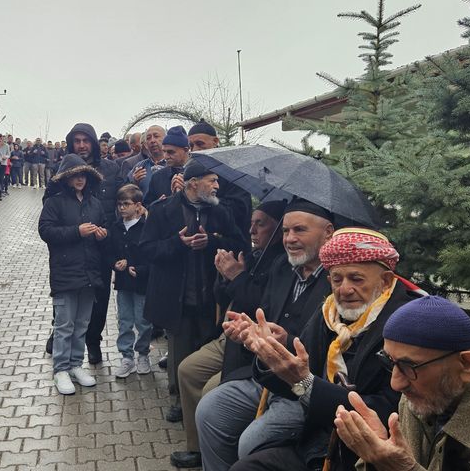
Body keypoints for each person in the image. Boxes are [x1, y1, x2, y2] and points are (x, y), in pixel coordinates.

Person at [229, 228, 420, 471]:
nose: (345, 289)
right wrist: (269, 355)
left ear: (386, 281)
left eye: (356, 279)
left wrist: (305, 383)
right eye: (337, 280)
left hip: (366, 456)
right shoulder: (328, 314)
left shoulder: (406, 324)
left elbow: (389, 409)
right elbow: (297, 386)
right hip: (317, 444)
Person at [195, 199, 334, 471]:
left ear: (328, 232)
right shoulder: (283, 267)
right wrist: (249, 332)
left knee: (253, 441)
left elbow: (334, 350)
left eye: (300, 230)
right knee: (210, 410)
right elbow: (264, 316)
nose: (289, 239)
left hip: (304, 388)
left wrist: (285, 342)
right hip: (265, 376)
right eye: (285, 231)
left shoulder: (340, 279)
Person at [334, 295, 470, 471]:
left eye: (408, 366)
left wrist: (402, 468)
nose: (396, 384)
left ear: (467, 365)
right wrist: (380, 458)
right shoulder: (420, 394)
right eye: (389, 361)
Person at [169, 200, 287, 469]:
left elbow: (261, 306)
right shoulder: (255, 254)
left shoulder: (281, 263)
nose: (252, 230)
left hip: (251, 344)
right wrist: (224, 276)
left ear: (277, 228)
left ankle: (220, 450)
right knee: (187, 370)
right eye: (251, 223)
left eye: (260, 224)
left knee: (211, 392)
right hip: (229, 336)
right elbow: (224, 298)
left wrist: (237, 275)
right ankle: (197, 447)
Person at [140, 160, 245, 425]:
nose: (217, 186)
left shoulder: (220, 211)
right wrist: (177, 243)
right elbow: (146, 250)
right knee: (180, 351)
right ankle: (178, 399)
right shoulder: (162, 210)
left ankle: (205, 401)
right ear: (193, 183)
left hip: (211, 299)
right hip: (177, 298)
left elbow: (239, 243)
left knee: (205, 349)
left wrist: (212, 242)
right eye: (213, 181)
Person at [38, 153, 108, 395]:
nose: (80, 179)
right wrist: (77, 231)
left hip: (90, 273)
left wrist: (103, 234)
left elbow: (104, 225)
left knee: (82, 323)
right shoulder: (54, 202)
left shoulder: (95, 203)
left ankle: (76, 364)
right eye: (75, 175)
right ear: (66, 178)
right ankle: (60, 370)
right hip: (65, 272)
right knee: (64, 324)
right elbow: (46, 231)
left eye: (83, 175)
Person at [60, 123, 121, 365]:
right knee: (67, 293)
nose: (82, 145)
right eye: (77, 141)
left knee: (100, 296)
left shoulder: (112, 169)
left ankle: (93, 340)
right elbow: (50, 204)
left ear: (94, 143)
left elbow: (121, 201)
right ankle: (60, 334)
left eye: (86, 140)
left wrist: (111, 232)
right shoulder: (64, 167)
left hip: (101, 245)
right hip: (72, 244)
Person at [107, 184, 152, 378]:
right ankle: (127, 357)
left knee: (143, 321)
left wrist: (137, 267)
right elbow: (109, 252)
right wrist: (114, 263)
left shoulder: (146, 227)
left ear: (138, 205)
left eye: (126, 204)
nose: (122, 208)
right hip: (123, 283)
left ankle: (143, 354)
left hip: (141, 282)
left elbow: (150, 255)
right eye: (119, 204)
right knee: (124, 320)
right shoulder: (116, 227)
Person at [144, 125, 190, 207]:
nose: (165, 156)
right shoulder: (157, 177)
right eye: (164, 151)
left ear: (185, 150)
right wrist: (159, 205)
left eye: (171, 152)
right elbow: (147, 207)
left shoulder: (199, 174)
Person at [127, 125, 166, 195]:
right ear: (145, 145)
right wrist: (134, 182)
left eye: (156, 136)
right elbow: (126, 193)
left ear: (166, 139)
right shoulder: (139, 167)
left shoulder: (174, 164)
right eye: (148, 138)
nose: (152, 141)